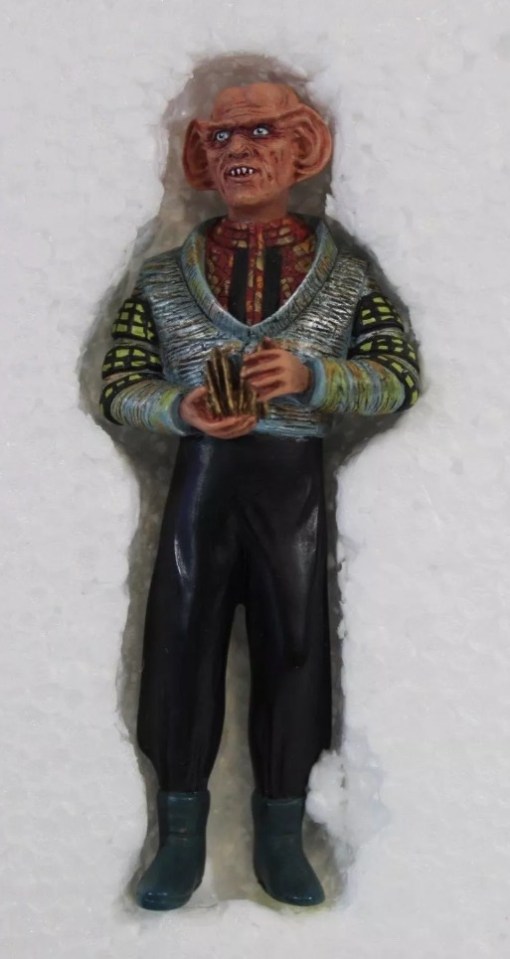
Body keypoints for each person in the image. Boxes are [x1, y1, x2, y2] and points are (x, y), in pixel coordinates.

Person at [100, 82, 420, 909]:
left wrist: (316, 376)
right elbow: (121, 383)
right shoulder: (166, 280)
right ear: (200, 159)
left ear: (302, 149)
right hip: (203, 477)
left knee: (294, 646)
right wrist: (180, 408)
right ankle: (180, 830)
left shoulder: (342, 279)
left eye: (262, 132)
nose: (239, 151)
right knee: (181, 642)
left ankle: (281, 829)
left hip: (290, 484)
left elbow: (396, 374)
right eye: (220, 138)